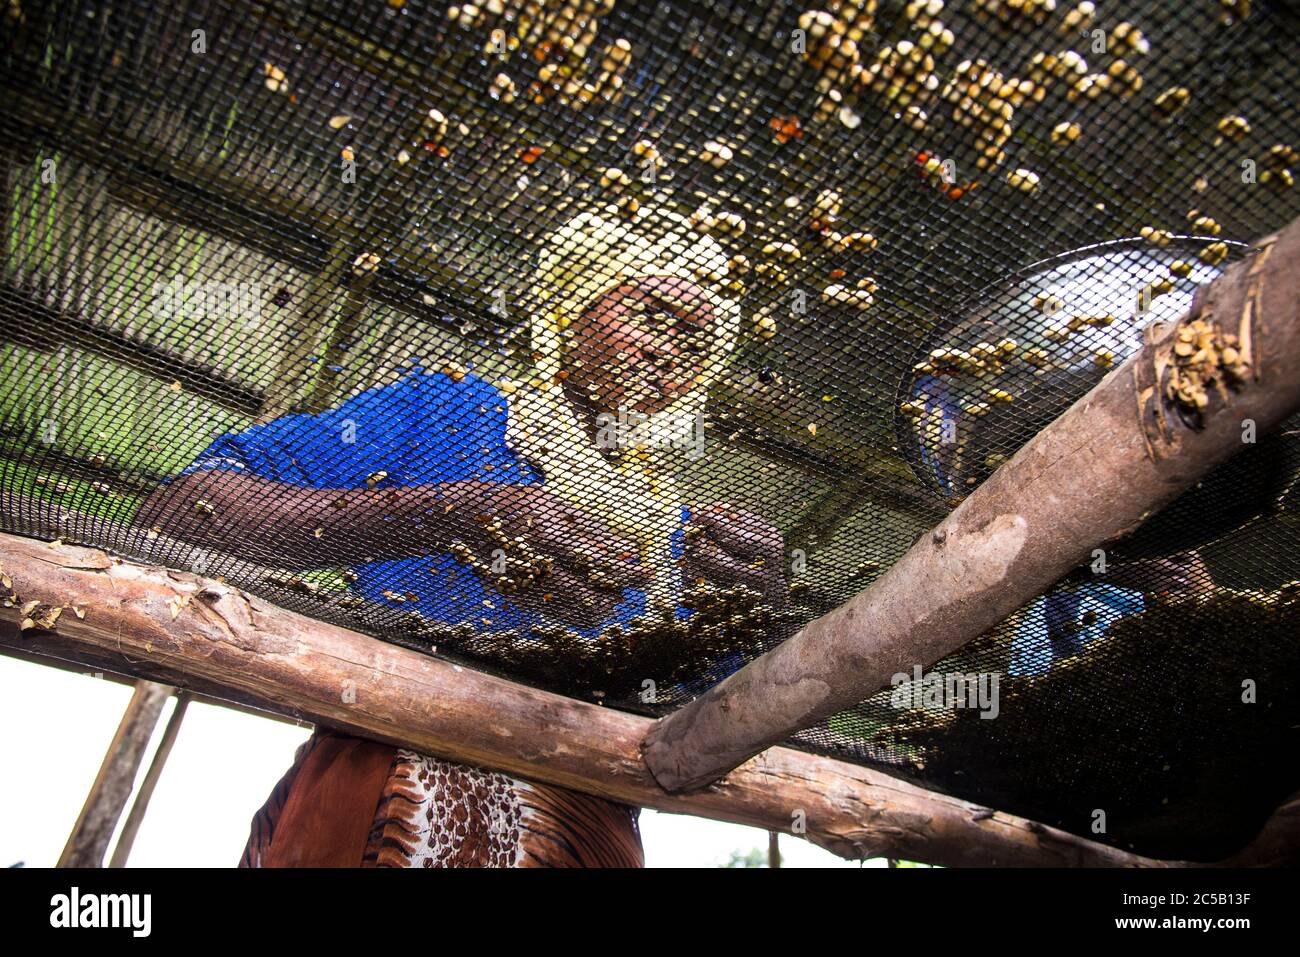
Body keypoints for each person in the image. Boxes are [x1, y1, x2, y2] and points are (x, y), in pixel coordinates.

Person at [136, 207, 786, 867]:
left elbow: (704, 732)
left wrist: (750, 625)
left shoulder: (679, 533)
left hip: (581, 817)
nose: (666, 353)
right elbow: (183, 508)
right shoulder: (450, 411)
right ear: (576, 300)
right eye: (650, 315)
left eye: (695, 346)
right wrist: (450, 515)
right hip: (387, 774)